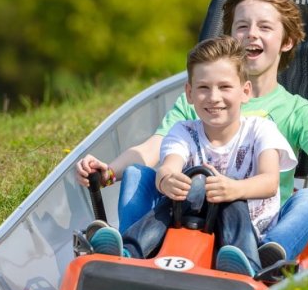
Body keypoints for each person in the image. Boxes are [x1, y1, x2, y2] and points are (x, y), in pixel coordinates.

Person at [76, 0, 308, 267]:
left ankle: (265, 256)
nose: (251, 35)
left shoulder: (296, 110)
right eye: (242, 26)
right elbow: (155, 147)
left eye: (264, 27)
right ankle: (128, 251)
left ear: (286, 41)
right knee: (139, 173)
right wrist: (110, 172)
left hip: (258, 219)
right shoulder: (204, 100)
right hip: (190, 211)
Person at [87, 35, 296, 276]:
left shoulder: (262, 129)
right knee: (182, 192)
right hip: (192, 225)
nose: (213, 97)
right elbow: (169, 165)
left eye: (225, 87)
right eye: (203, 88)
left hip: (247, 229)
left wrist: (232, 189)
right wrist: (167, 180)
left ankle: (245, 262)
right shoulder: (183, 131)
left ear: (245, 91)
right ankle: (128, 252)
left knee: (227, 195)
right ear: (189, 93)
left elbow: (270, 182)